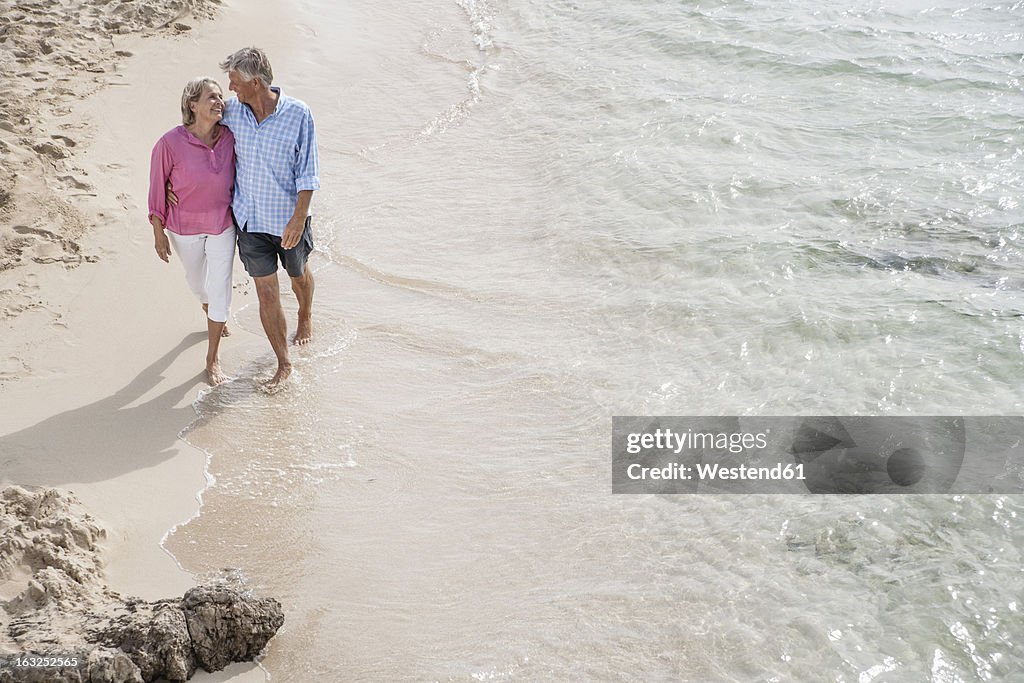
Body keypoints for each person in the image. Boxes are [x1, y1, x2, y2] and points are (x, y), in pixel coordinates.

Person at [219, 46, 320, 391]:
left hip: (288, 219)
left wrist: (298, 219)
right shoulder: (232, 112)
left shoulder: (298, 114)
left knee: (298, 275)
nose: (230, 88)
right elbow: (195, 130)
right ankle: (283, 363)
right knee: (266, 292)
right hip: (249, 220)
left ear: (256, 83)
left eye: (234, 81)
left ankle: (305, 315)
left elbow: (308, 173)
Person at [148, 77, 236, 386]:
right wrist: (158, 230)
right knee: (198, 284)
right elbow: (157, 188)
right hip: (184, 227)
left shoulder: (230, 137)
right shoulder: (169, 144)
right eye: (211, 97)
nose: (218, 102)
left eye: (220, 97)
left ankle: (212, 358)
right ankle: (209, 307)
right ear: (192, 105)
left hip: (223, 224)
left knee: (221, 286)